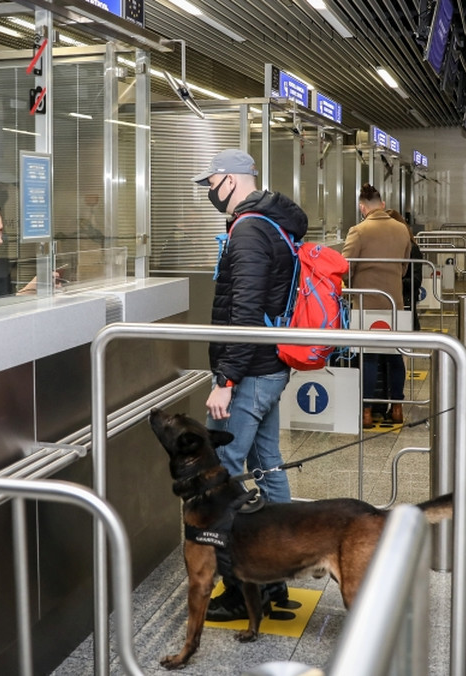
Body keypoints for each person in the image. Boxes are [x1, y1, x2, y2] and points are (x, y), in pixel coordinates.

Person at [193, 148, 308, 622]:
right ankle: (278, 576)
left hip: (250, 373)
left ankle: (242, 587)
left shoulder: (248, 231)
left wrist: (226, 380)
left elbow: (244, 313)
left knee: (218, 471)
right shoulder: (274, 223)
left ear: (230, 180)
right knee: (269, 466)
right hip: (268, 369)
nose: (209, 193)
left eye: (211, 184)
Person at [343, 185, 414, 428]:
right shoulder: (402, 229)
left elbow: (345, 267)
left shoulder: (358, 231)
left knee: (368, 357)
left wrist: (350, 284)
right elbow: (404, 266)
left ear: (362, 207)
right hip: (394, 302)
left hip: (365, 303)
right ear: (382, 204)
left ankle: (366, 412)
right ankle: (397, 409)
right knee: (395, 357)